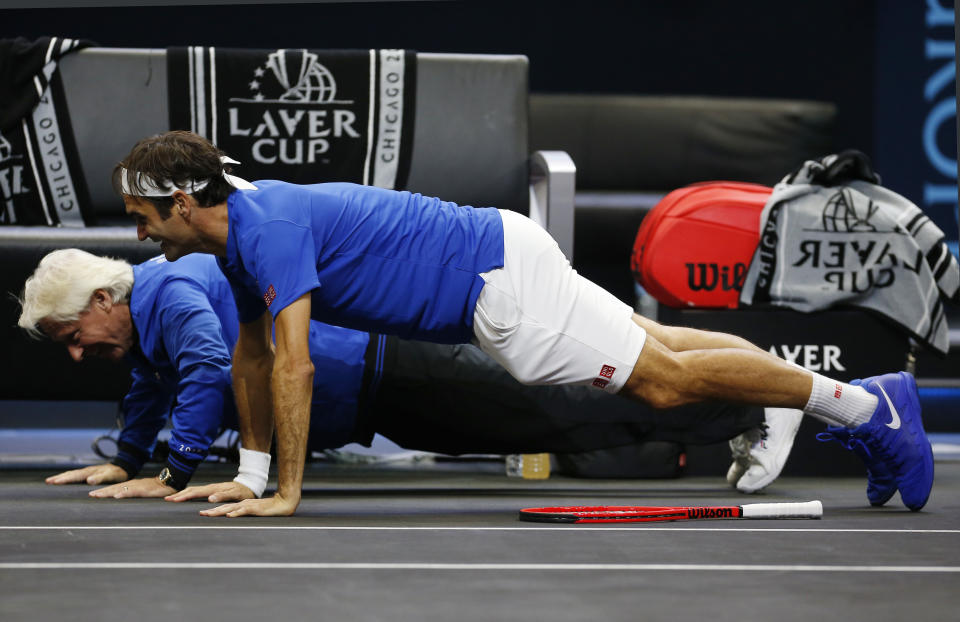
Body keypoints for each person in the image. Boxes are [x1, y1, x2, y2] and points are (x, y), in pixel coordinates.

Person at [114, 130, 934, 516]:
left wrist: (286, 494)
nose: (139, 234)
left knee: (663, 382)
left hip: (497, 288)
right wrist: (249, 476)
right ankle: (805, 395)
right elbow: (251, 362)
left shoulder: (268, 231)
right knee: (663, 349)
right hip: (498, 254)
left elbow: (295, 367)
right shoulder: (241, 234)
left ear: (184, 202)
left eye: (143, 215)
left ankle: (862, 406)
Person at [18, 249, 775, 502]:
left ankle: (756, 407)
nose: (78, 353)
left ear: (103, 299)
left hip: (394, 366)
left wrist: (174, 472)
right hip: (377, 395)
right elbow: (154, 386)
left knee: (576, 408)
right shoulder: (146, 312)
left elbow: (211, 370)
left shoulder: (169, 289)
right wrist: (124, 457)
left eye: (72, 336)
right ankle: (750, 404)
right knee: (569, 411)